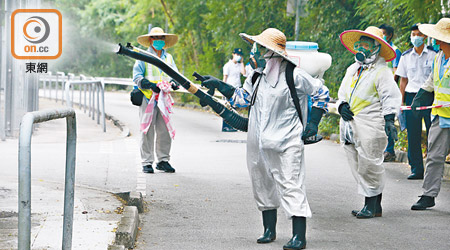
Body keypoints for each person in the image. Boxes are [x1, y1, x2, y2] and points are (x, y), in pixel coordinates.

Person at [202, 28, 329, 250]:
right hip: (258, 140)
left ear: (272, 52)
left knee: (291, 184)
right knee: (261, 182)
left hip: (288, 141)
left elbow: (321, 93)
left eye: (261, 48)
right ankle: (269, 229)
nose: (257, 52)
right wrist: (220, 85)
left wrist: (313, 124)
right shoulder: (256, 76)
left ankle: (299, 236)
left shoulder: (294, 75)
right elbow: (242, 100)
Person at [338, 26, 401, 218]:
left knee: (370, 164)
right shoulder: (353, 69)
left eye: (366, 44)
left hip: (371, 124)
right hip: (351, 124)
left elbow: (390, 97)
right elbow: (342, 92)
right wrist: (341, 106)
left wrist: (390, 120)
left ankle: (370, 205)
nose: (362, 48)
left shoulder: (382, 72)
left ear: (375, 48)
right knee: (357, 164)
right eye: (360, 44)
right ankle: (374, 206)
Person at [410, 18, 450, 210]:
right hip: (440, 116)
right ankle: (428, 195)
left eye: (437, 38)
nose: (434, 41)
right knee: (434, 156)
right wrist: (419, 98)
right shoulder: (438, 58)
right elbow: (431, 82)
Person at [132, 27, 179, 174]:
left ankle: (163, 160)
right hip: (148, 97)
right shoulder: (143, 56)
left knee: (164, 130)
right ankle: (147, 162)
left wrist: (175, 83)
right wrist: (149, 85)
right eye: (155, 38)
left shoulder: (169, 58)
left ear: (164, 40)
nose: (158, 41)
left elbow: (174, 74)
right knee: (147, 130)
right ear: (150, 40)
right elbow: (137, 76)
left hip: (163, 98)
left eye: (161, 38)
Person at [395, 23, 436, 180]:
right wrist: (402, 101)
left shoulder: (433, 55)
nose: (415, 37)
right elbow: (403, 80)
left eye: (418, 34)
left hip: (429, 96)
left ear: (424, 37)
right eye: (413, 34)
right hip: (412, 96)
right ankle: (416, 169)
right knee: (413, 133)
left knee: (433, 132)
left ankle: (432, 169)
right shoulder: (406, 57)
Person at [379, 24, 403, 162]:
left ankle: (389, 150)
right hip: (377, 90)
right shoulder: (378, 49)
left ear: (389, 35)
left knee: (388, 120)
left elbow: (396, 72)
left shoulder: (395, 51)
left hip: (388, 90)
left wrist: (388, 86)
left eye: (383, 33)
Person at [221, 48, 246, 132]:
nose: (238, 56)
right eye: (237, 55)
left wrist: (242, 62)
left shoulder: (239, 65)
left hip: (237, 89)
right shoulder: (227, 65)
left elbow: (244, 73)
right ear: (233, 54)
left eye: (239, 55)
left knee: (233, 108)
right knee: (227, 107)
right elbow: (225, 78)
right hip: (228, 88)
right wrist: (222, 89)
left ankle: (231, 126)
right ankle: (225, 126)